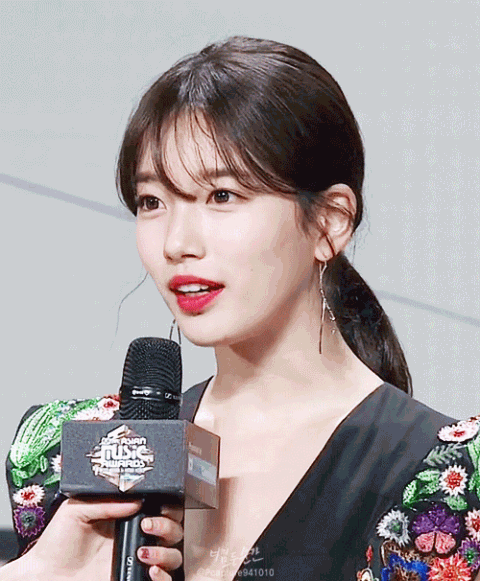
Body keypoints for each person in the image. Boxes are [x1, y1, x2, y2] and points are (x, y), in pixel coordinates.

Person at [2, 36, 480, 581]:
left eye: (222, 196)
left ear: (330, 221)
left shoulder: (447, 479)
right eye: (152, 202)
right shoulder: (72, 457)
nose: (177, 243)